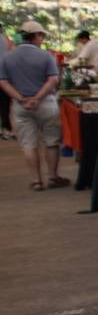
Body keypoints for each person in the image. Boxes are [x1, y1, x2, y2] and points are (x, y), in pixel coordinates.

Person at [0, 21, 68, 190]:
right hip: (46, 104)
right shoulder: (46, 55)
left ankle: (36, 181)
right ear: (36, 35)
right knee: (51, 142)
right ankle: (53, 177)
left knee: (29, 144)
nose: (42, 38)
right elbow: (52, 79)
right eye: (41, 35)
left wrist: (22, 99)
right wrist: (37, 97)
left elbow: (3, 82)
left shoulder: (7, 57)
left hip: (21, 106)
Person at [0, 23, 14, 140]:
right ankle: (6, 129)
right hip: (5, 76)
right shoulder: (6, 40)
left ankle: (5, 129)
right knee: (5, 105)